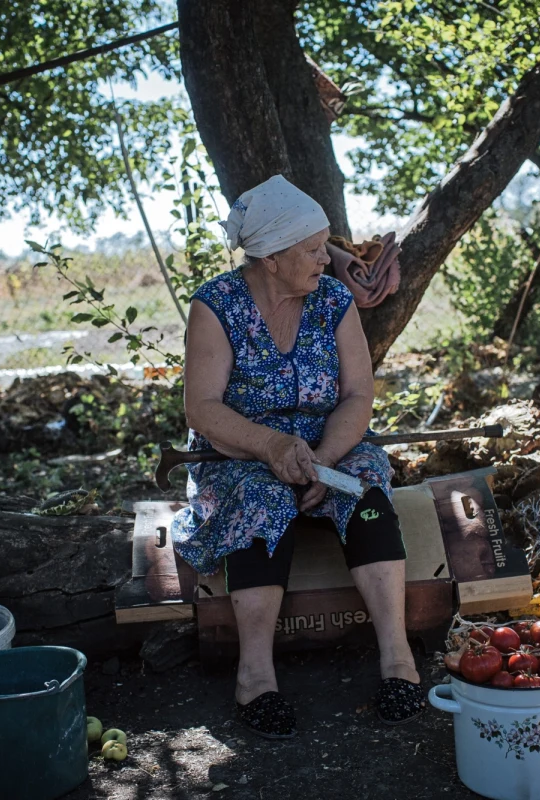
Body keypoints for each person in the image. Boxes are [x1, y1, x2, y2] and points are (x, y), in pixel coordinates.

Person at [171, 175, 425, 739]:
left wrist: (326, 458)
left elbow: (360, 395)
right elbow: (202, 409)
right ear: (270, 258)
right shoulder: (216, 305)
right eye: (312, 249)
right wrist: (271, 446)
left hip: (327, 444)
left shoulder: (334, 301)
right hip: (239, 454)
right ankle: (254, 678)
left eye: (323, 245)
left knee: (364, 487)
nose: (324, 259)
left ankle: (398, 662)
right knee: (262, 499)